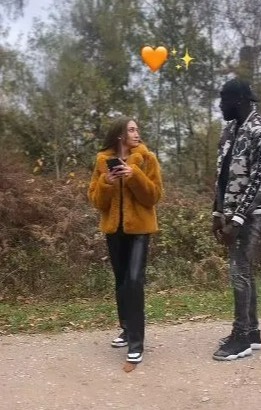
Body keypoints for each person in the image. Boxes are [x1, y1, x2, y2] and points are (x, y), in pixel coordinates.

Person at [212, 78, 261, 361]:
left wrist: (237, 220)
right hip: (233, 212)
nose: (220, 104)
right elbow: (223, 175)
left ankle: (241, 337)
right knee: (244, 270)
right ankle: (251, 332)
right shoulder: (230, 130)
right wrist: (217, 213)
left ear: (239, 100)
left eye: (223, 99)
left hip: (255, 211)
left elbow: (260, 179)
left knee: (239, 269)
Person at [88, 116, 163, 364]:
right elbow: (97, 202)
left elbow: (153, 196)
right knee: (121, 282)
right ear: (120, 134)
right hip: (114, 230)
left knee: (134, 281)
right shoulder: (102, 162)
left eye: (137, 129)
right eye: (131, 129)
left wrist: (134, 175)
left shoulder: (147, 158)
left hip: (140, 230)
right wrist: (105, 183)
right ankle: (126, 327)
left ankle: (136, 342)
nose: (136, 133)